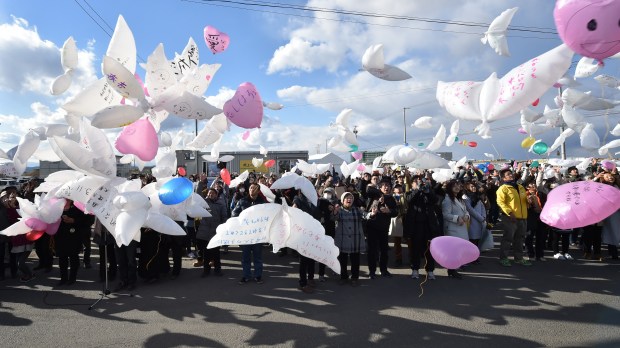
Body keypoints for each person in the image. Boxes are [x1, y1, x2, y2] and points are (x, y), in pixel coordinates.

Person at [403, 177, 440, 280]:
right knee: (415, 248)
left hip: (429, 225)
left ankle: (430, 270)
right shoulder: (410, 192)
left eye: (421, 183)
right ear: (413, 184)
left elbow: (436, 200)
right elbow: (409, 200)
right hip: (416, 225)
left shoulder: (428, 192)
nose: (420, 184)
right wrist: (418, 190)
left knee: (429, 249)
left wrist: (428, 191)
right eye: (416, 182)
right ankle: (415, 269)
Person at [232, 182, 267, 284]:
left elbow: (267, 218)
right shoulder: (242, 201)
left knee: (258, 257)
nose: (252, 189)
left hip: (257, 235)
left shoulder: (263, 203)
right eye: (251, 188)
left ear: (258, 190)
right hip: (245, 235)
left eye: (255, 188)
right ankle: (246, 276)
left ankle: (258, 276)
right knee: (245, 257)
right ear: (248, 190)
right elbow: (234, 214)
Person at [496, 169, 532, 267]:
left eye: (511, 173)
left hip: (523, 217)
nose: (511, 175)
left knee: (520, 239)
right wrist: (509, 212)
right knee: (508, 238)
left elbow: (524, 201)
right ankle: (503, 258)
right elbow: (500, 202)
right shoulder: (503, 188)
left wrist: (528, 201)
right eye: (508, 174)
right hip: (510, 217)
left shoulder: (520, 187)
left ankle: (519, 258)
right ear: (503, 178)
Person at [364, 180, 398, 279]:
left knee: (384, 251)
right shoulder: (374, 195)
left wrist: (389, 211)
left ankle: (383, 270)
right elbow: (368, 189)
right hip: (372, 227)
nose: (386, 187)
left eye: (388, 186)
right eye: (384, 186)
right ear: (380, 187)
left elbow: (395, 212)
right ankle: (372, 271)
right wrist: (380, 194)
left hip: (384, 228)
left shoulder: (391, 198)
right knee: (372, 251)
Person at [331, 191, 366, 286]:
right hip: (343, 239)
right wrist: (335, 212)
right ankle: (343, 277)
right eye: (346, 198)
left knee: (355, 260)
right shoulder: (339, 210)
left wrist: (372, 213)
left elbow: (365, 216)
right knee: (343, 260)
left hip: (355, 239)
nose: (349, 199)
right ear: (342, 201)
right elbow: (333, 218)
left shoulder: (357, 210)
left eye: (350, 198)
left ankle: (355, 278)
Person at [55, 199, 92, 286]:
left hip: (74, 236)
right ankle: (63, 278)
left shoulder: (78, 206)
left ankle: (72, 278)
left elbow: (88, 221)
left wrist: (73, 220)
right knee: (62, 258)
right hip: (61, 236)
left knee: (73, 258)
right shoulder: (57, 207)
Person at [196, 188, 228, 277]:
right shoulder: (203, 204)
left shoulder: (221, 205)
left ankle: (218, 270)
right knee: (206, 253)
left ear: (216, 195)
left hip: (215, 231)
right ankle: (206, 270)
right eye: (209, 193)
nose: (211, 194)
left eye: (213, 193)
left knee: (216, 253)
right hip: (205, 231)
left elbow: (224, 217)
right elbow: (197, 215)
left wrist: (223, 228)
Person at [441, 180, 470, 278]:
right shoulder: (447, 199)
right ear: (449, 187)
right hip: (453, 228)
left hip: (461, 227)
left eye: (458, 185)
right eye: (454, 186)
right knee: (453, 250)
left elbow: (466, 211)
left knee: (459, 249)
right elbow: (445, 214)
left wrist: (466, 216)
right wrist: (457, 218)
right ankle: (452, 270)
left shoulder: (460, 199)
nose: (457, 187)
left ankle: (455, 268)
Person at [292, 190, 319, 293]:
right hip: (302, 233)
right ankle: (302, 283)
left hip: (313, 232)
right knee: (303, 260)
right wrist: (294, 207)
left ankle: (311, 278)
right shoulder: (298, 199)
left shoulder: (315, 200)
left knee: (312, 258)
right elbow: (294, 208)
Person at [316, 187, 337, 282]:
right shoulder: (320, 201)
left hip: (332, 230)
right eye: (326, 192)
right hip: (322, 230)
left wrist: (334, 210)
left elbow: (337, 216)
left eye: (330, 193)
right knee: (323, 252)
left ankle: (334, 268)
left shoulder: (336, 202)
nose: (327, 194)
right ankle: (321, 274)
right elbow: (317, 212)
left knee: (332, 252)